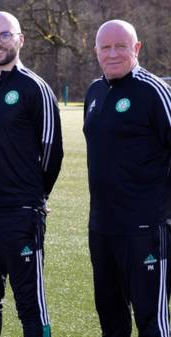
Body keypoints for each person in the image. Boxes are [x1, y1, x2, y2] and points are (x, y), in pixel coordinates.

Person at [0, 11, 63, 337]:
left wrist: (37, 196)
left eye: (5, 35)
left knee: (30, 303)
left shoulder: (36, 88)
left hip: (21, 213)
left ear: (20, 39)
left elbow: (52, 151)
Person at [84, 19, 171, 337]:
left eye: (121, 46)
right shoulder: (94, 92)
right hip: (102, 230)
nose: (112, 53)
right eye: (105, 47)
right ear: (96, 52)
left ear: (136, 48)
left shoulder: (155, 92)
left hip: (146, 230)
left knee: (152, 322)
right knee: (111, 321)